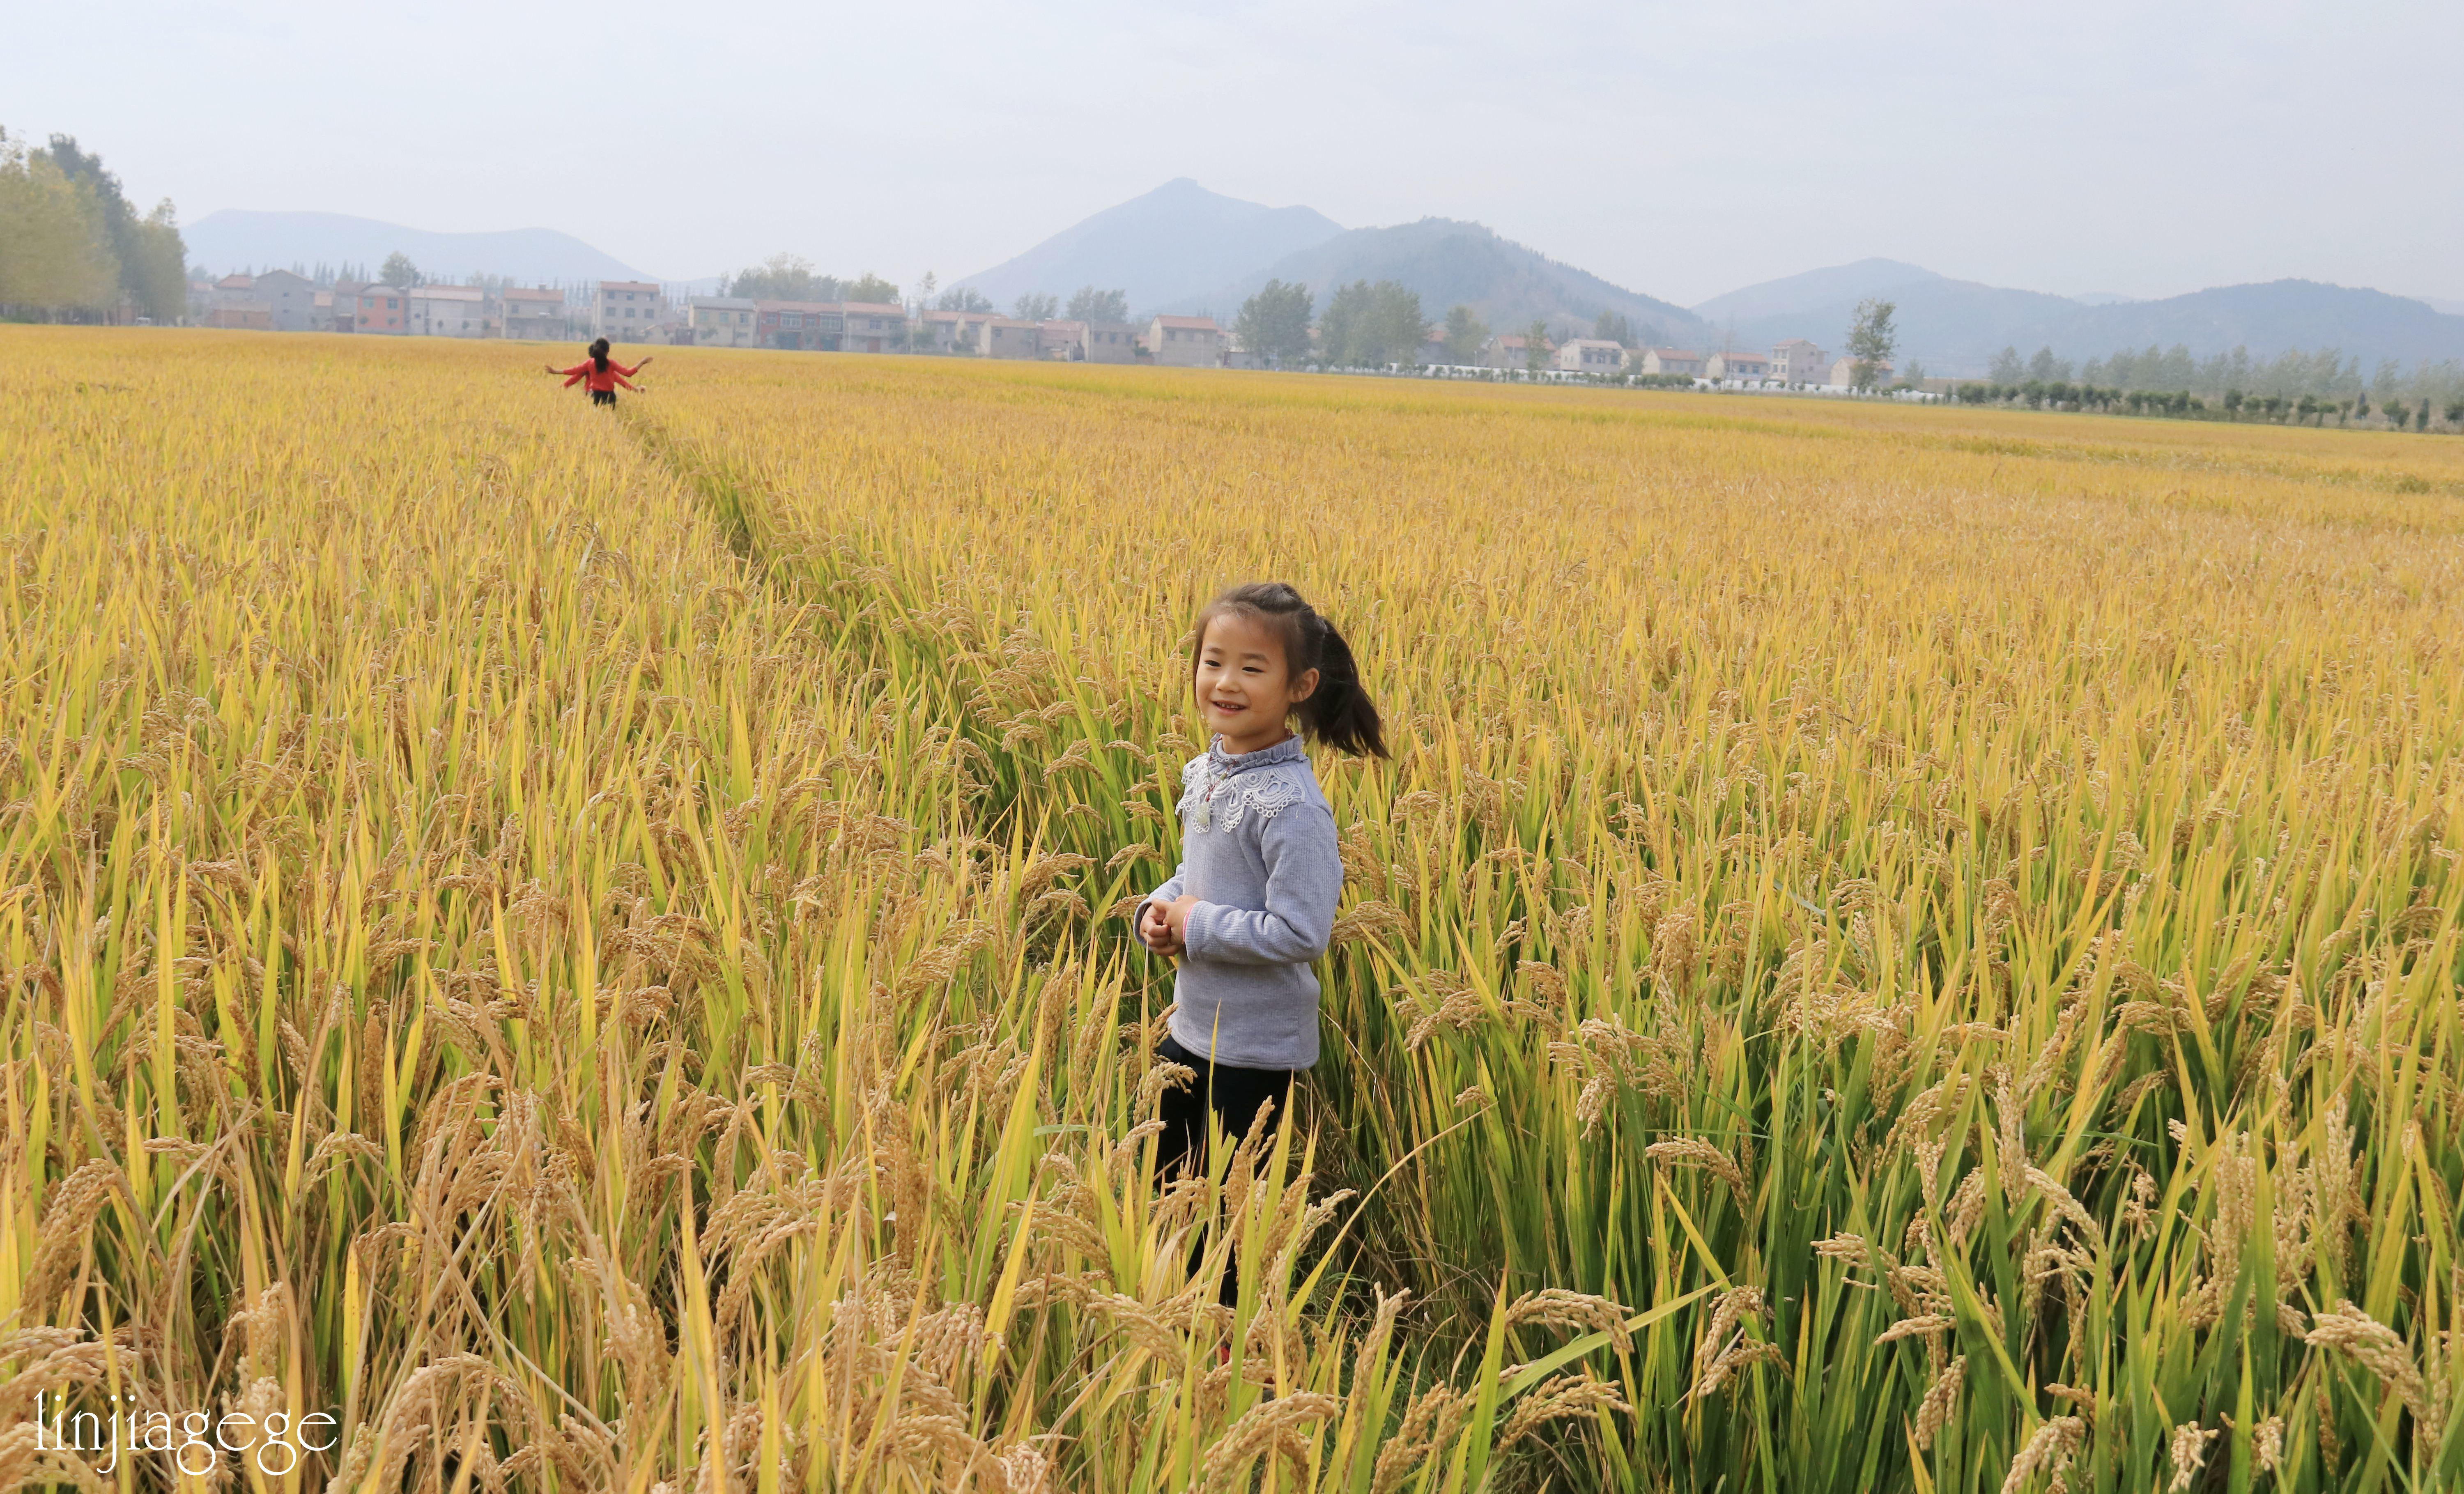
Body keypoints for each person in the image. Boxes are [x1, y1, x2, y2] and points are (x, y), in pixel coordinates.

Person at [1133, 581, 1387, 1308]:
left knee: (1234, 1219)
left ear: (1300, 685)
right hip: (1191, 1027)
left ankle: (1237, 1349)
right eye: (1213, 661)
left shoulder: (1292, 806)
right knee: (1167, 1187)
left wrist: (1195, 922)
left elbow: (1301, 930)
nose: (1226, 682)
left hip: (1253, 1049)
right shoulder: (1212, 771)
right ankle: (1176, 1323)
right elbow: (1200, 877)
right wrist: (1159, 907)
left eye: (1252, 667)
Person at [547, 338, 650, 406]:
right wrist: (642, 362)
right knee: (610, 421)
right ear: (608, 351)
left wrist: (556, 373)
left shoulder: (590, 364)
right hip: (610, 397)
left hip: (594, 396)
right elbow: (626, 377)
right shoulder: (611, 365)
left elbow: (574, 374)